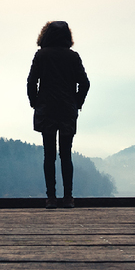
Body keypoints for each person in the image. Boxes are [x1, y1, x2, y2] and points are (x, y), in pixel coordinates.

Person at [27, 21, 90, 208]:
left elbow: (31, 82)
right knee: (65, 155)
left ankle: (51, 198)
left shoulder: (41, 55)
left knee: (49, 155)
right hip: (66, 110)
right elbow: (85, 83)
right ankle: (68, 198)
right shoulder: (73, 57)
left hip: (46, 109)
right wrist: (76, 102)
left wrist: (35, 103)